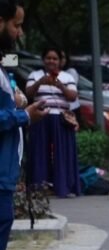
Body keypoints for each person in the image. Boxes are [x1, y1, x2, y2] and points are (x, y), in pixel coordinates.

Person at [0, 0, 47, 250]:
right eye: (16, 25)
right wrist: (22, 116)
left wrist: (16, 99)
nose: (19, 33)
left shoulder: (3, 64)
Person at [25, 47, 80, 198]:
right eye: (48, 58)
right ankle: (38, 188)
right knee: (39, 152)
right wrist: (40, 82)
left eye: (55, 58)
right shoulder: (34, 75)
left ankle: (63, 187)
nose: (51, 61)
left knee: (62, 153)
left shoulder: (67, 76)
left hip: (61, 118)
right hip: (40, 116)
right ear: (43, 60)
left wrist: (59, 85)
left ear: (60, 61)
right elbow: (28, 94)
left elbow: (73, 96)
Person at [58, 50, 81, 126]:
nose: (62, 59)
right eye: (59, 57)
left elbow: (71, 92)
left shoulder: (71, 72)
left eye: (63, 57)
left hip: (71, 108)